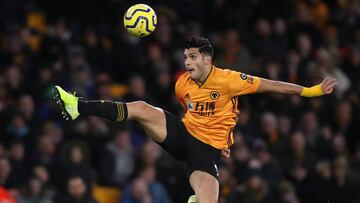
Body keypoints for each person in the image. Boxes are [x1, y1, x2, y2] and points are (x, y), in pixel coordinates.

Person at [52, 36, 337, 203]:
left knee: (207, 200)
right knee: (140, 107)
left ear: (207, 60)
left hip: (205, 152)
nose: (187, 63)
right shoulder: (182, 84)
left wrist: (310, 91)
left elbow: (270, 84)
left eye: (192, 58)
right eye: (185, 57)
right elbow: (189, 111)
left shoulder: (228, 80)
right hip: (182, 135)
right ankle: (77, 105)